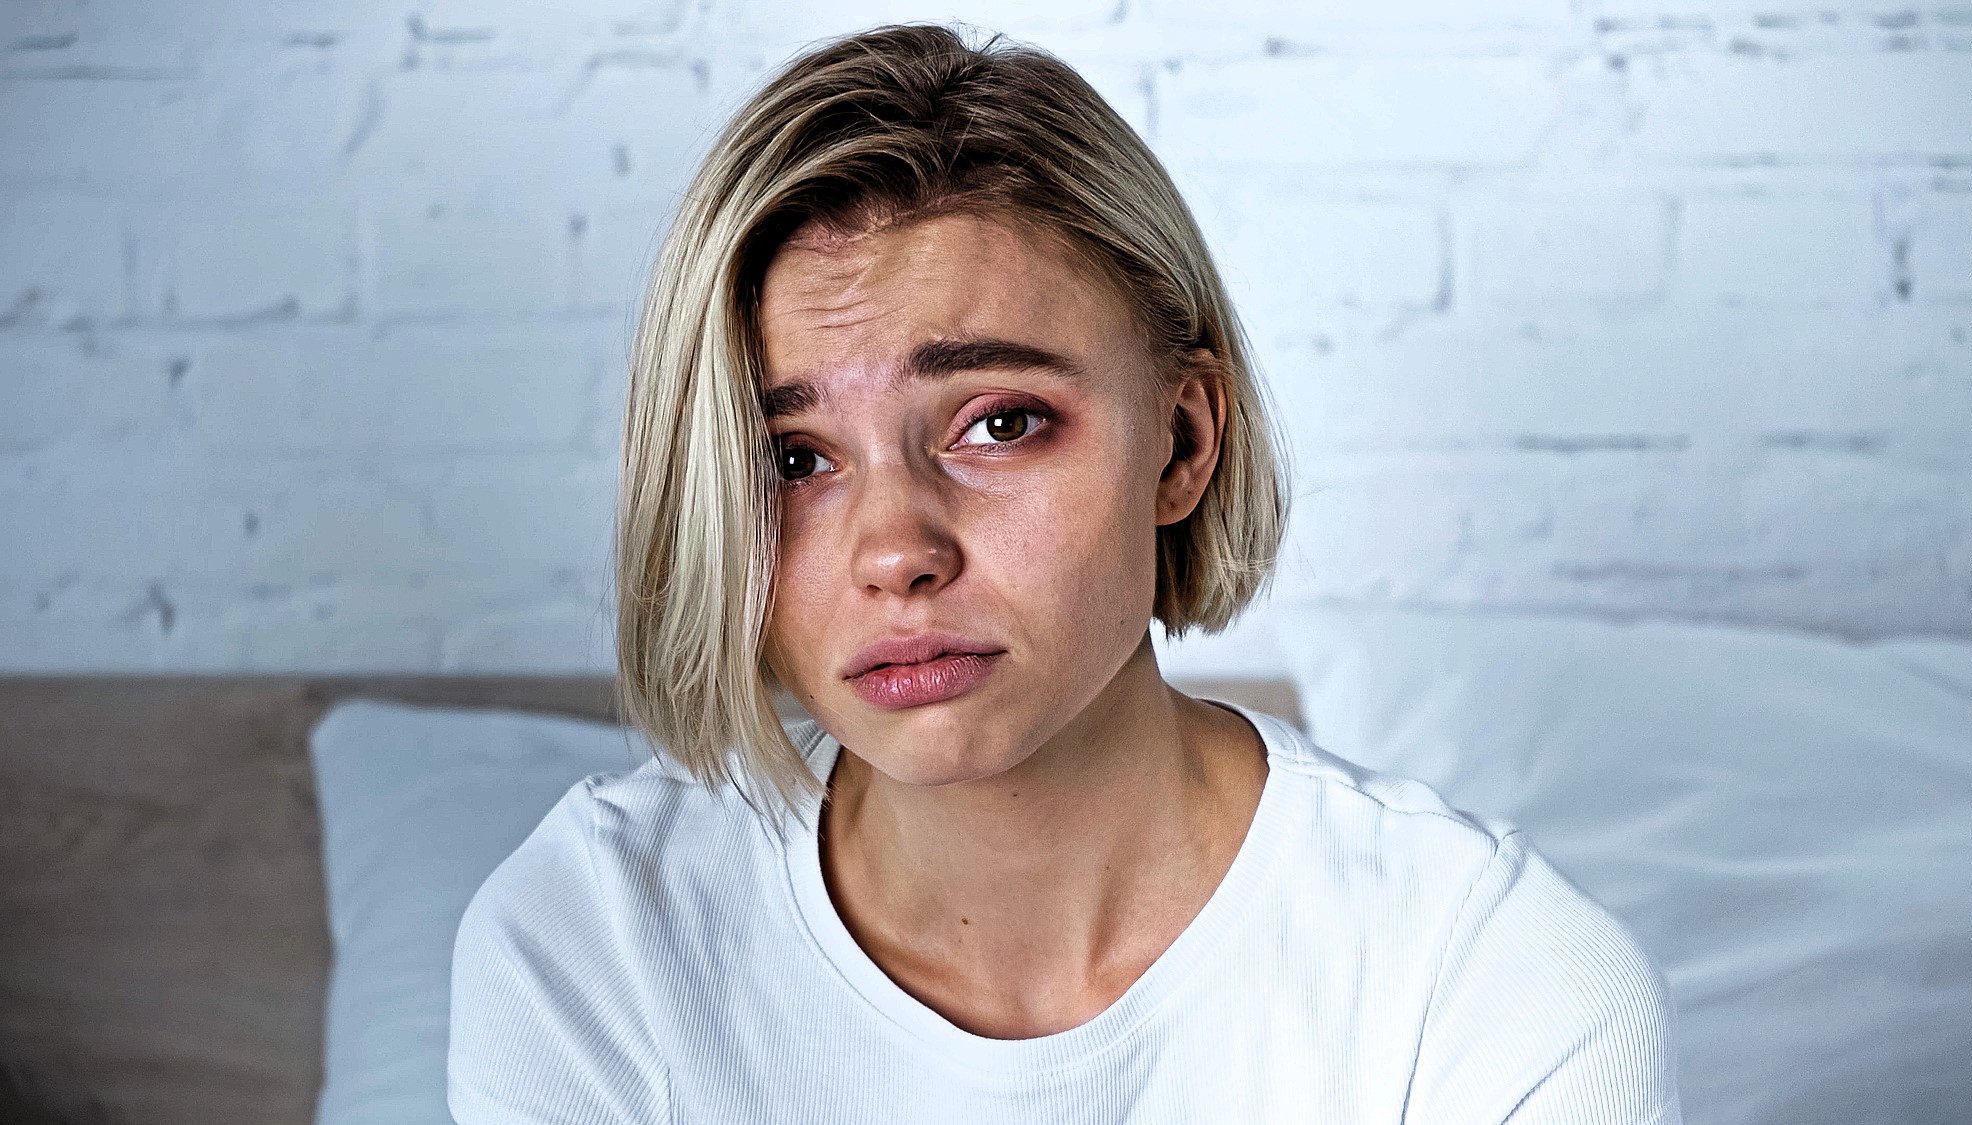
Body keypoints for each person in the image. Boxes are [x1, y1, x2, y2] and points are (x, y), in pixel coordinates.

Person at [446, 22, 1681, 1124]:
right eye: (792, 456)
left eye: (999, 423)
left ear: (1182, 442)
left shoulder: (1487, 980)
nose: (895, 552)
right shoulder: (594, 942)